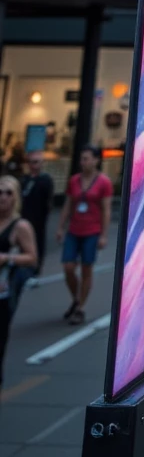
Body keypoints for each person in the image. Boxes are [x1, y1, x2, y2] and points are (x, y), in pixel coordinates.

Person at [56, 144, 112, 324]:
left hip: (92, 231)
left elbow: (106, 210)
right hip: (74, 229)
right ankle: (76, 298)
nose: (83, 162)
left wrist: (103, 235)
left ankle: (80, 308)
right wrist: (60, 226)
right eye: (82, 159)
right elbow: (68, 204)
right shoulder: (74, 180)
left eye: (87, 158)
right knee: (68, 267)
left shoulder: (104, 182)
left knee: (86, 268)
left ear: (96, 160)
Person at [0, 176, 38, 394]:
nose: (3, 197)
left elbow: (32, 258)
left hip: (3, 294)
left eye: (8, 192)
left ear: (15, 197)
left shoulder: (20, 226)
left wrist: (7, 258)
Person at [18, 151, 54, 284]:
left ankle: (34, 271)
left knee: (37, 243)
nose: (33, 165)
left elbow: (48, 201)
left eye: (36, 162)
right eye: (31, 162)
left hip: (38, 218)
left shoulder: (45, 180)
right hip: (24, 216)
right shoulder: (24, 179)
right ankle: (22, 269)